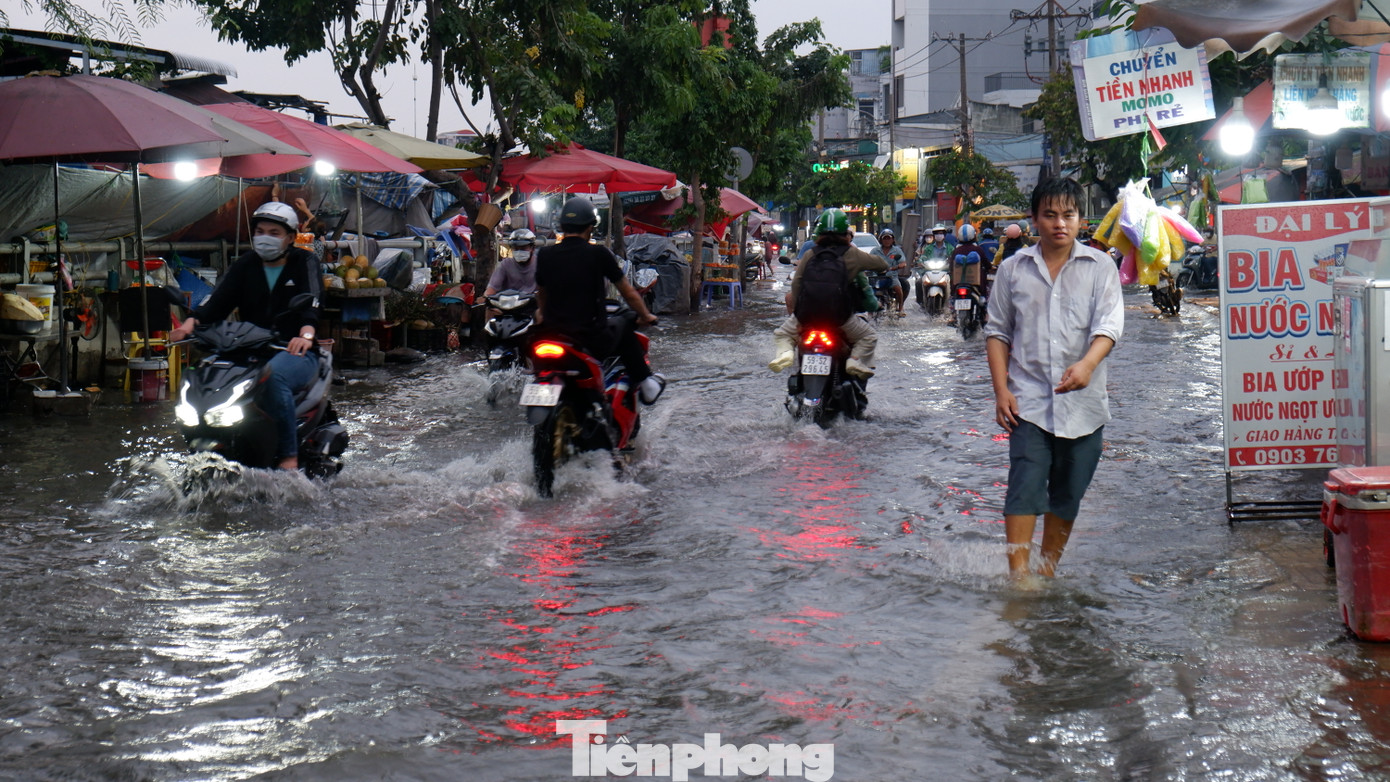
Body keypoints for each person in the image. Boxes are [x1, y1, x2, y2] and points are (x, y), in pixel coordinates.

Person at [984, 177, 1124, 580]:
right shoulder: (1012, 270)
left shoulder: (1100, 267)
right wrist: (1000, 391)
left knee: (1067, 494)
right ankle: (1018, 579)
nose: (1059, 223)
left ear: (1081, 219)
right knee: (1024, 485)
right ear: (1034, 220)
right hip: (1027, 401)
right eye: (1050, 215)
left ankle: (1045, 571)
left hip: (1085, 406)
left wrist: (1087, 365)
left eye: (1068, 215)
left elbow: (1109, 326)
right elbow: (997, 333)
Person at [167, 202, 324, 471]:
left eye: (274, 232)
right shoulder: (246, 264)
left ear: (290, 237)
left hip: (293, 349)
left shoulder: (304, 261)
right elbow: (217, 301)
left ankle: (289, 457)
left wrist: (305, 334)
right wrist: (189, 324)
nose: (265, 237)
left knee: (273, 377)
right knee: (201, 374)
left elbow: (312, 300)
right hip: (247, 347)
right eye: (260, 231)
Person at [535, 197, 665, 404]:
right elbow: (628, 293)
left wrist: (542, 314)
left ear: (562, 225)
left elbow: (541, 293)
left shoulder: (544, 254)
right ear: (590, 227)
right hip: (589, 337)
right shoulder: (598, 253)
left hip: (552, 334)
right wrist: (646, 315)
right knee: (623, 325)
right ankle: (647, 384)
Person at [769, 208, 888, 379]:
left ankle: (785, 353)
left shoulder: (810, 253)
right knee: (868, 336)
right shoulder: (853, 254)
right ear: (846, 233)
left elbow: (796, 284)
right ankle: (855, 360)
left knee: (783, 334)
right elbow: (881, 264)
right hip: (840, 317)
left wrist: (797, 314)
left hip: (807, 315)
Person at [870, 228, 908, 316]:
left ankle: (901, 308)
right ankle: (870, 312)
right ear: (881, 240)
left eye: (889, 238)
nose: (887, 240)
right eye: (885, 238)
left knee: (898, 289)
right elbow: (869, 261)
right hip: (876, 277)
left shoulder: (897, 251)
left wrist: (897, 266)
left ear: (893, 240)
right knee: (868, 290)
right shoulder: (875, 251)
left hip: (891, 276)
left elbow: (903, 262)